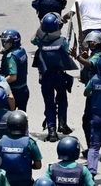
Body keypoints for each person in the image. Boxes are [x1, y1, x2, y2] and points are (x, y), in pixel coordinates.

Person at [31, 13, 77, 142]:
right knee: (62, 99)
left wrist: (40, 28)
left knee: (49, 103)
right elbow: (67, 56)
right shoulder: (62, 41)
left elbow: (33, 39)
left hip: (46, 77)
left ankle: (52, 131)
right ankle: (62, 122)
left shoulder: (40, 41)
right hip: (60, 76)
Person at [0, 28, 28, 110]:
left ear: (14, 42)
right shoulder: (20, 51)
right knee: (22, 117)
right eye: (3, 41)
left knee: (8, 116)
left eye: (6, 41)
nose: (4, 44)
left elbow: (13, 77)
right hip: (24, 89)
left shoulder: (11, 57)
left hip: (14, 91)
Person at [0, 110, 43, 186]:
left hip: (6, 181)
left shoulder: (1, 142)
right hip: (25, 182)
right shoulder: (30, 143)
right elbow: (38, 165)